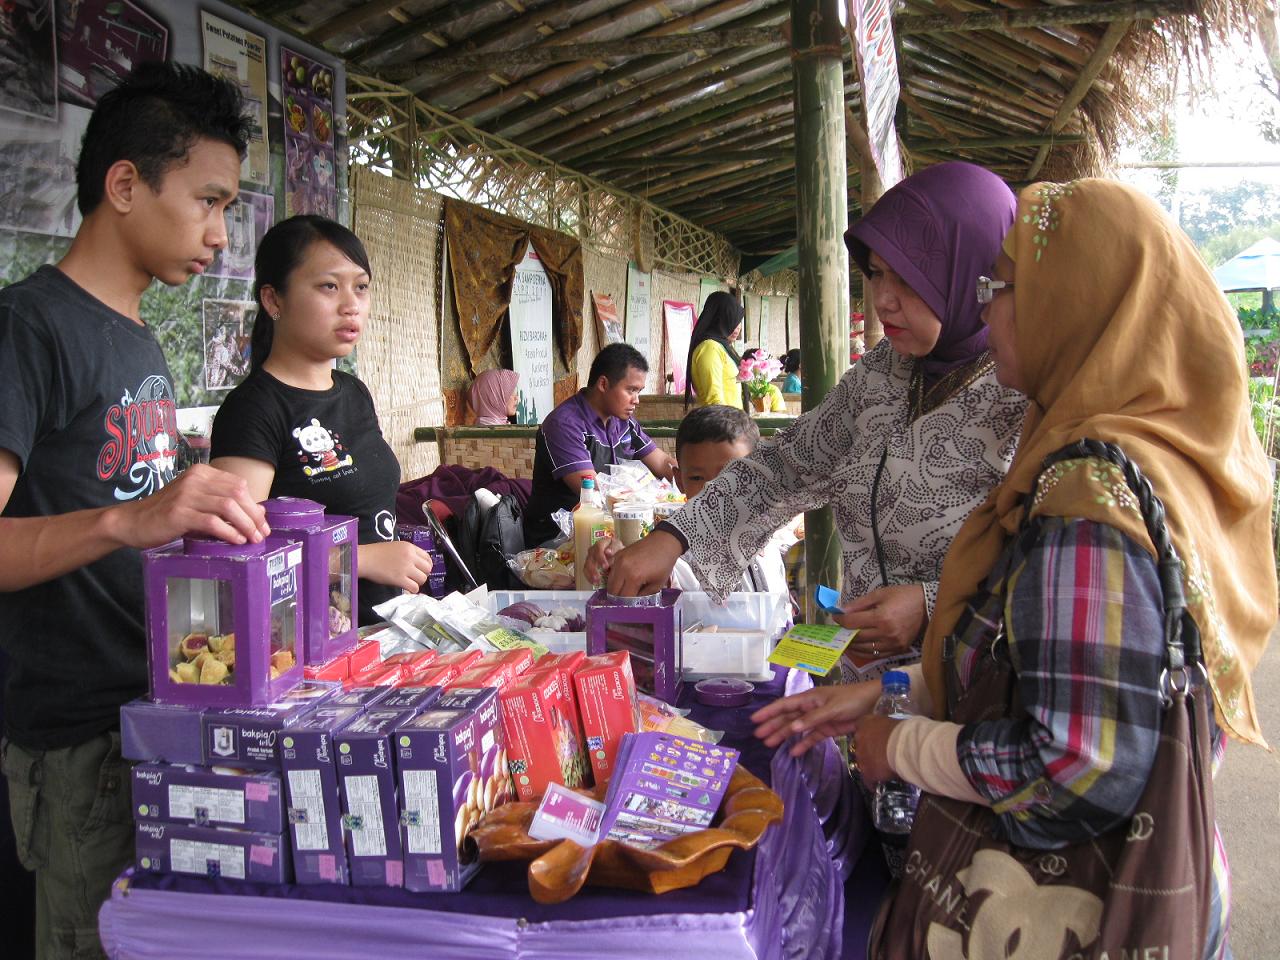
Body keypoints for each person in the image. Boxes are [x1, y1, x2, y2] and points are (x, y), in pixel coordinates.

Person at [753, 179, 1277, 960]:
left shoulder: (1090, 500)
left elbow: (1072, 766)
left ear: (1073, 301)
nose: (988, 306)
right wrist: (899, 691)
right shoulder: (1135, 448)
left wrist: (898, 744)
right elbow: (1046, 668)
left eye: (1003, 287)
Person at [0, 63, 269, 959]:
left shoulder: (139, 334)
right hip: (78, 745)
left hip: (154, 714)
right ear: (125, 184)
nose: (221, 235)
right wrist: (130, 521)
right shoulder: (29, 326)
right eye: (209, 201)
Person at [608, 162, 1026, 676]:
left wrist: (934, 604)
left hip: (969, 700)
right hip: (865, 684)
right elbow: (786, 466)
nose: (882, 299)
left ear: (974, 274)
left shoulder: (1026, 395)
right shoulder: (883, 374)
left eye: (912, 279)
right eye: (875, 273)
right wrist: (673, 539)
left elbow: (1063, 574)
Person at [210, 216, 432, 625]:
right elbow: (240, 556)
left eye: (360, 287)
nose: (351, 305)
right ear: (274, 300)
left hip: (380, 630)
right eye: (329, 286)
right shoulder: (253, 411)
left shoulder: (354, 392)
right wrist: (358, 560)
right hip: (303, 643)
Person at [584, 404, 798, 595]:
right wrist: (616, 559)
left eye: (731, 476)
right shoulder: (677, 555)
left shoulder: (772, 535)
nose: (714, 491)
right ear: (680, 480)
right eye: (697, 478)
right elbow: (655, 573)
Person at [522, 343, 676, 547]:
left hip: (611, 529)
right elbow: (595, 491)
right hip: (560, 538)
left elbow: (663, 462)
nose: (636, 400)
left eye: (639, 391)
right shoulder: (564, 424)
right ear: (603, 384)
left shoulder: (624, 423)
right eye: (631, 390)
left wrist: (696, 481)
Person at [686, 290, 746, 409]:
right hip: (722, 423)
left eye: (739, 322)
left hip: (732, 421)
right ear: (720, 318)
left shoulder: (724, 347)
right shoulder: (710, 348)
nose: (737, 327)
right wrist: (728, 426)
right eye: (732, 319)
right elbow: (714, 400)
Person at [741, 347, 787, 413]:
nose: (758, 370)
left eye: (761, 365)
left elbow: (777, 417)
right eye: (752, 366)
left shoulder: (773, 390)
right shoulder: (739, 389)